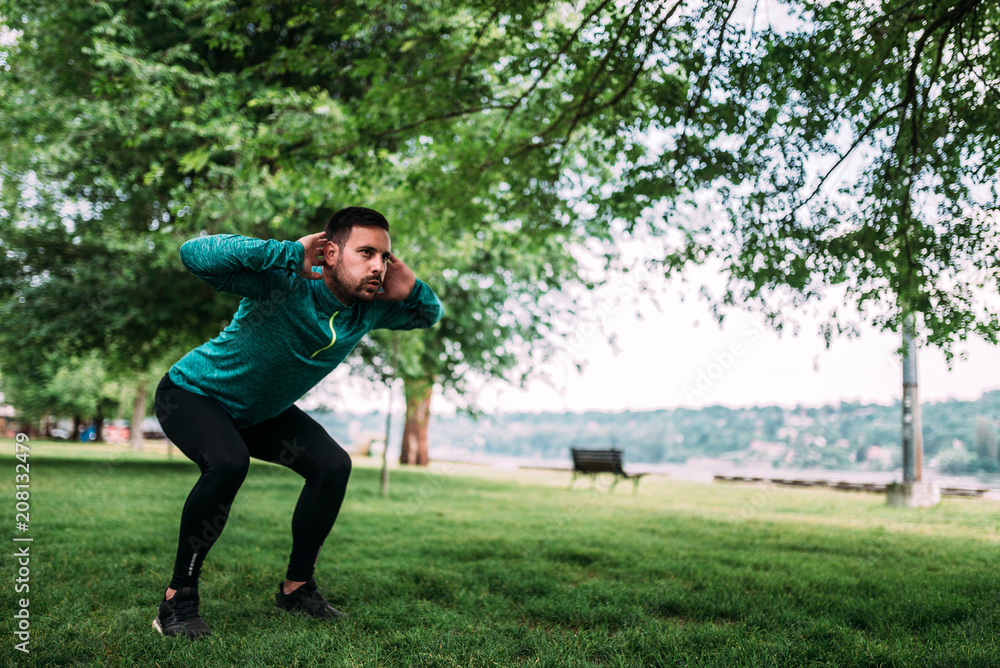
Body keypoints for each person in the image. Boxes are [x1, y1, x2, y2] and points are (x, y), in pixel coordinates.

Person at [151, 207, 443, 639]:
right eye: (366, 253)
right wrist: (287, 252)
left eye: (384, 256)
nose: (378, 266)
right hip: (193, 394)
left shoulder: (369, 310)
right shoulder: (282, 278)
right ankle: (177, 601)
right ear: (329, 252)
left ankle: (297, 587)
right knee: (229, 464)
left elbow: (427, 315)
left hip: (257, 414)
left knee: (332, 465)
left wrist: (414, 288)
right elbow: (195, 254)